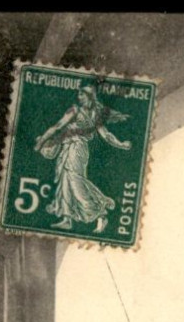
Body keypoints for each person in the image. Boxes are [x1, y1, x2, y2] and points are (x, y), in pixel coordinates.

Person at [34, 85, 132, 233]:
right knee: (65, 181)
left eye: (81, 94)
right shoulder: (93, 114)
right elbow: (105, 135)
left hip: (77, 149)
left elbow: (57, 127)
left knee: (75, 182)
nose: (78, 97)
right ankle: (67, 219)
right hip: (70, 148)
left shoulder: (78, 111)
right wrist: (121, 144)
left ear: (89, 96)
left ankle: (101, 213)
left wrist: (41, 142)